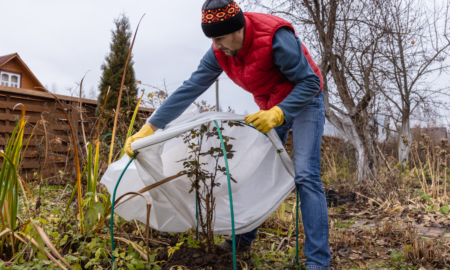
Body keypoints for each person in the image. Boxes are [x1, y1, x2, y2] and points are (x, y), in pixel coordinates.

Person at [125, 0, 331, 268]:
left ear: (239, 29)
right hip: (269, 104)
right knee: (256, 171)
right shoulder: (219, 52)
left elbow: (310, 81)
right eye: (212, 39)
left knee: (305, 174)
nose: (216, 45)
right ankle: (241, 241)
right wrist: (151, 126)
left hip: (305, 100)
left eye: (220, 37)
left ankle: (318, 261)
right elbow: (190, 88)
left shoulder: (275, 38)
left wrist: (280, 113)